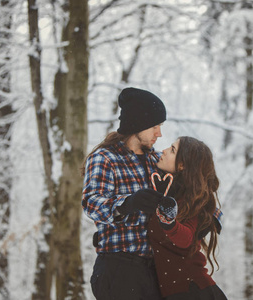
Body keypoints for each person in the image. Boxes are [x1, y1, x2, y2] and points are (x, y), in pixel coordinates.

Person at [82, 87, 167, 300]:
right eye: (155, 126)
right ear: (138, 123)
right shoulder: (105, 158)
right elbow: (92, 203)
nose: (159, 133)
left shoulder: (156, 161)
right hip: (120, 269)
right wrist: (127, 203)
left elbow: (189, 188)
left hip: (155, 271)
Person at [148, 136, 227, 300]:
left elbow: (186, 239)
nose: (164, 150)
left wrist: (169, 222)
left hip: (192, 290)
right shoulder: (172, 193)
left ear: (182, 165)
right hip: (175, 291)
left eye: (172, 150)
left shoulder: (192, 202)